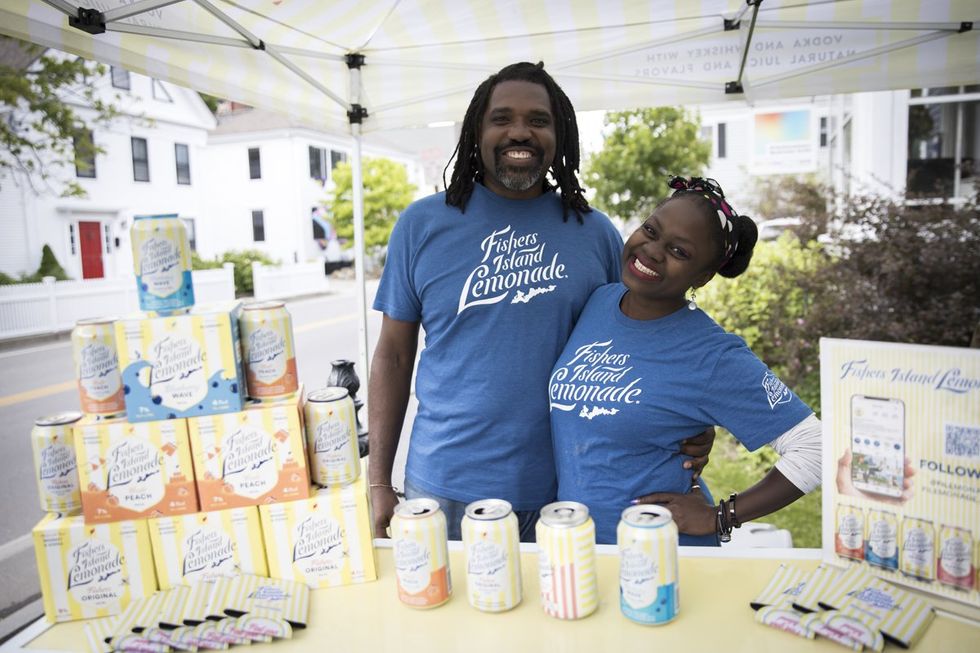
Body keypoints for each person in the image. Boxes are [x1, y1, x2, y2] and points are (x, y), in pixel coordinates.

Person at [367, 63, 713, 541]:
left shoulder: (594, 234)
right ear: (476, 131)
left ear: (560, 135)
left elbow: (637, 342)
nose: (520, 132)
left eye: (539, 120)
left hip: (570, 489)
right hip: (443, 486)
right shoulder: (422, 225)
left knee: (564, 613)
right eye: (502, 118)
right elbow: (394, 353)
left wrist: (688, 420)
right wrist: (378, 481)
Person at [549, 176, 823, 545]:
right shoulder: (600, 301)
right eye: (650, 230)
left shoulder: (712, 355)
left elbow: (816, 447)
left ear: (704, 276)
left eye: (679, 252)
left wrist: (720, 516)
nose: (652, 250)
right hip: (584, 547)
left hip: (662, 554)